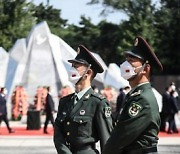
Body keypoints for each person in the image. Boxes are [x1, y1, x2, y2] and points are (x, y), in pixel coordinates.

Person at [103, 36, 163, 154]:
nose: (126, 63)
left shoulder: (142, 98)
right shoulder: (135, 95)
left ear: (145, 68)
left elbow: (121, 136)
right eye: (126, 59)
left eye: (131, 60)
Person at [54, 45, 113, 154]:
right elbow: (58, 133)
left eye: (76, 66)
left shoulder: (98, 102)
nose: (71, 69)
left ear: (88, 73)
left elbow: (107, 140)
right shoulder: (65, 101)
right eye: (72, 65)